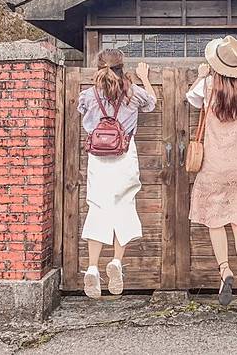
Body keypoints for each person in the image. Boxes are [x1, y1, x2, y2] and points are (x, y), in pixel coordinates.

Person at [186, 35, 237, 308]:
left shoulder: (207, 85)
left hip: (214, 165)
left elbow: (190, 99)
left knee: (215, 220)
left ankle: (225, 270)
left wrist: (201, 75)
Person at [77, 49, 156, 299]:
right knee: (124, 206)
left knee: (98, 207)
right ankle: (116, 262)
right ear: (122, 67)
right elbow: (151, 103)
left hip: (98, 158)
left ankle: (92, 267)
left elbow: (81, 109)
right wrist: (144, 78)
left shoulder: (88, 95)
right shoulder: (133, 93)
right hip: (124, 155)